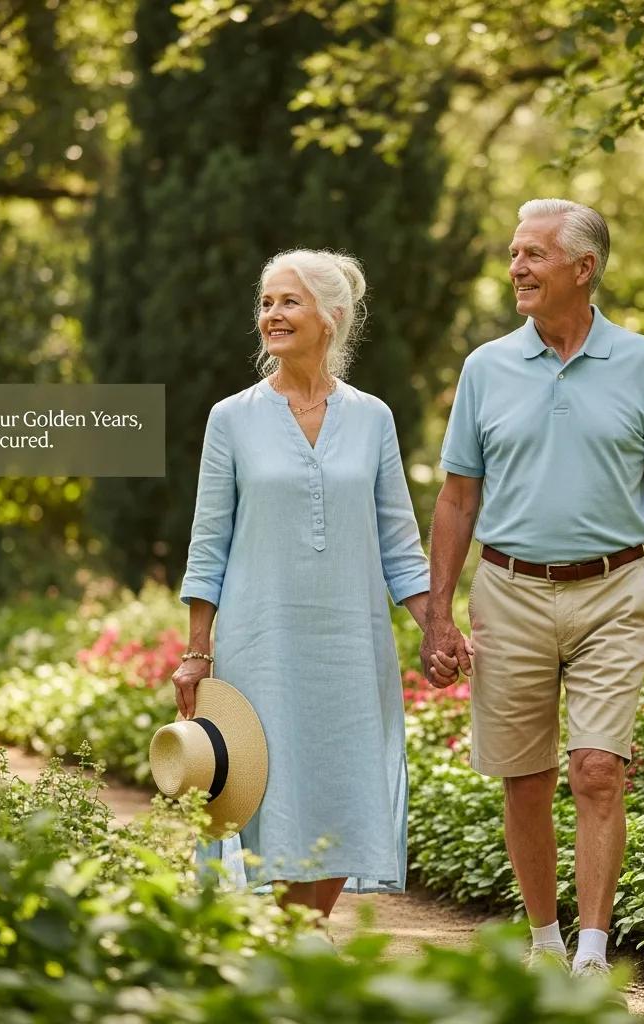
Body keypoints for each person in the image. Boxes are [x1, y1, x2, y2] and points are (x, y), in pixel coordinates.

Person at [422, 198, 644, 974]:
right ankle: (545, 936)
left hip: (614, 588)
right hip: (508, 590)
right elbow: (456, 498)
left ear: (585, 267)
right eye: (514, 255)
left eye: (533, 255)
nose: (517, 269)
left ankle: (592, 950)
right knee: (527, 774)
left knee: (598, 768)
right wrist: (437, 614)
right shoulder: (486, 368)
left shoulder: (643, 363)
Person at [173, 249, 430, 922]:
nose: (271, 315)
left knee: (345, 782)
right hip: (265, 639)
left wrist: (439, 627)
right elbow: (210, 543)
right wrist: (197, 651)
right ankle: (297, 933)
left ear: (331, 315)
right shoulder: (230, 418)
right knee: (272, 783)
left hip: (351, 637)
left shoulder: (373, 417)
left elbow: (400, 541)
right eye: (265, 303)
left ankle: (305, 931)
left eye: (288, 301)